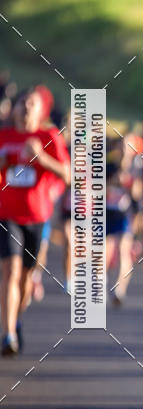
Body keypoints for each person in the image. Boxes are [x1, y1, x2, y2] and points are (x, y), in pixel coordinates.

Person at [0, 87, 70, 354]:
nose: (27, 107)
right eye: (23, 103)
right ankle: (8, 336)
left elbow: (67, 175)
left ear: (41, 111)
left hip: (37, 217)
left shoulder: (48, 136)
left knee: (26, 279)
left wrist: (41, 157)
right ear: (15, 109)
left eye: (33, 104)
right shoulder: (4, 136)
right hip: (7, 215)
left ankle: (14, 319)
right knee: (10, 271)